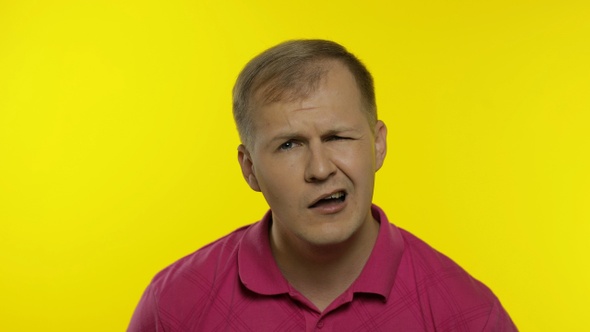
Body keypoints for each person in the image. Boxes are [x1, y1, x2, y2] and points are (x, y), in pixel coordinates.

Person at [128, 39, 517, 331]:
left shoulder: (468, 313)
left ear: (378, 145)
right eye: (289, 144)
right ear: (249, 169)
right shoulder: (174, 304)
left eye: (338, 137)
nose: (319, 168)